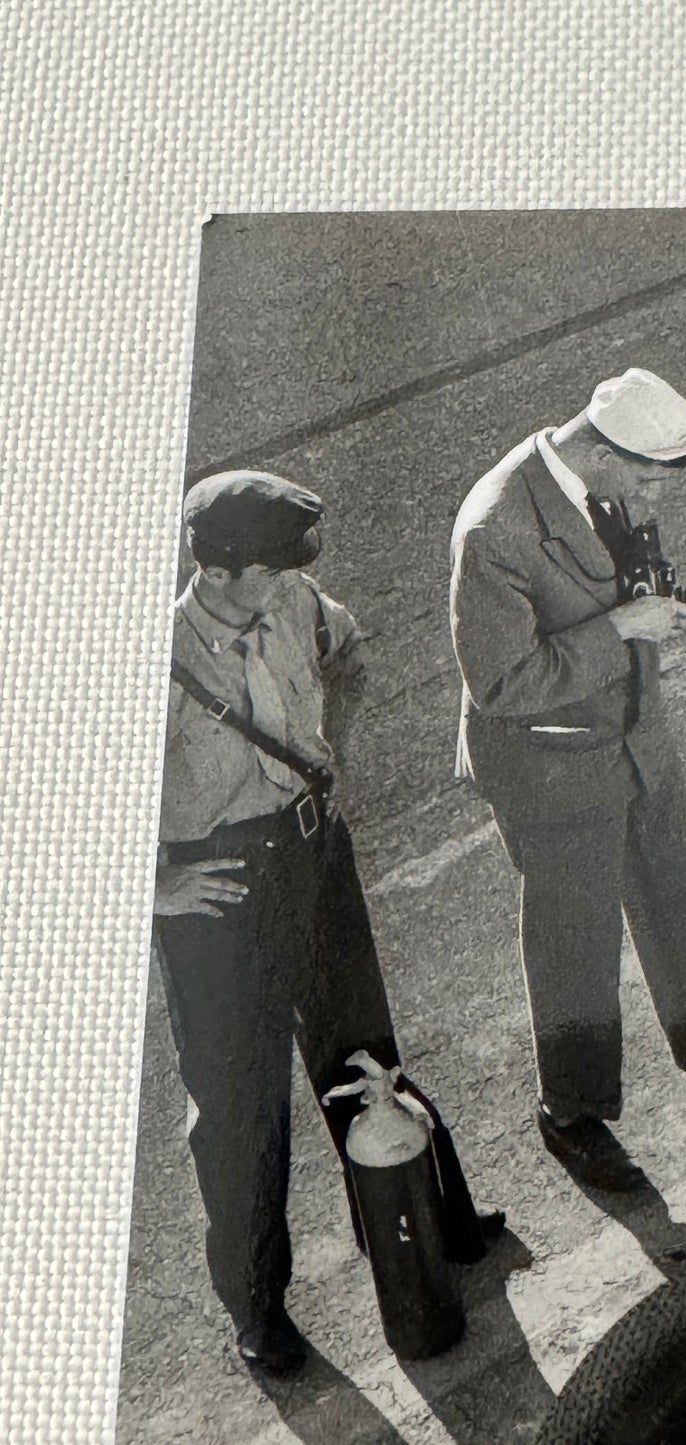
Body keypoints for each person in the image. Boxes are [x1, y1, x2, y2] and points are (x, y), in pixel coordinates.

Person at [153, 471, 489, 1378]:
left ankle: (428, 1229)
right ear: (220, 572)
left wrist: (329, 750)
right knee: (239, 1115)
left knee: (365, 1054)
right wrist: (158, 885)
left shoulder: (294, 596)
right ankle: (259, 1308)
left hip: (311, 856)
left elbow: (348, 655)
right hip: (218, 905)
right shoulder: (145, 655)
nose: (290, 581)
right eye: (270, 568)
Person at [449, 367, 686, 1193]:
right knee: (576, 946)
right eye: (652, 473)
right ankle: (572, 1113)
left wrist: (651, 605)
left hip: (635, 735)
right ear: (601, 449)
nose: (658, 492)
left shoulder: (601, 485)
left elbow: (624, 562)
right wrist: (623, 627)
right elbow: (501, 684)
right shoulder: (497, 528)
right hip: (550, 764)